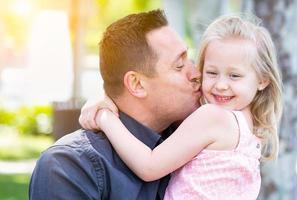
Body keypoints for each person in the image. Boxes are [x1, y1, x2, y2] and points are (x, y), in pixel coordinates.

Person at [81, 15, 283, 200]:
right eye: (212, 73)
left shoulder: (213, 117)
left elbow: (149, 166)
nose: (221, 85)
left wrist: (105, 117)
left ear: (263, 80)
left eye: (235, 76)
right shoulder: (248, 124)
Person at [29, 10, 201, 200]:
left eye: (190, 59)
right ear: (136, 84)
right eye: (179, 66)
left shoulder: (201, 142)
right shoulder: (69, 166)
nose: (196, 73)